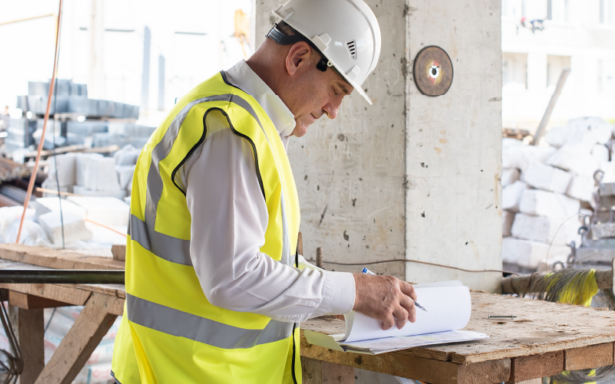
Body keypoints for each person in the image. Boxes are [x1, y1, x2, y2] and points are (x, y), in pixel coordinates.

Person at [111, 1, 418, 382]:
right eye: (337, 90)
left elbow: (255, 258)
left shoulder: (245, 122)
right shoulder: (229, 130)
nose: (334, 109)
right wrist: (352, 291)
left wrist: (341, 294)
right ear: (299, 57)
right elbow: (233, 276)